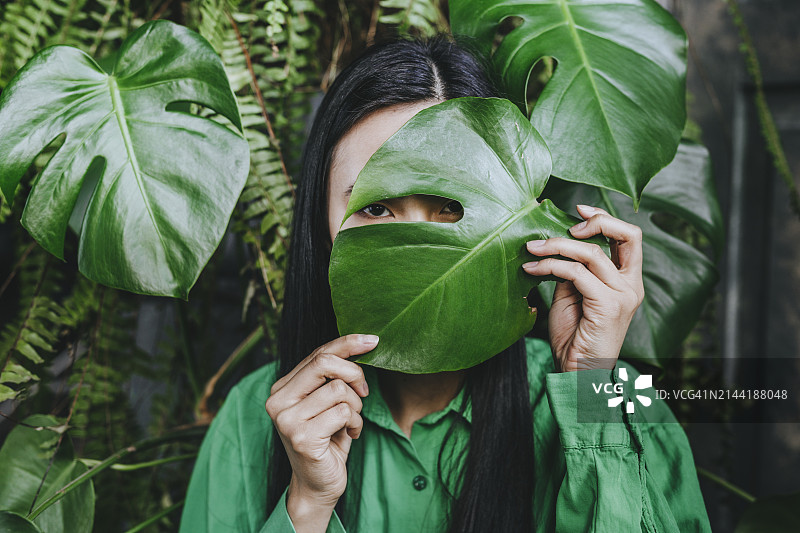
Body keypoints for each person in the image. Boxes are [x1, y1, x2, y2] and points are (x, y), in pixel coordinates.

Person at [179, 35, 713, 533]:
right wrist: (307, 505)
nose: (417, 249)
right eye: (377, 205)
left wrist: (590, 388)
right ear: (320, 220)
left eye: (451, 207)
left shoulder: (607, 405)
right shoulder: (252, 424)